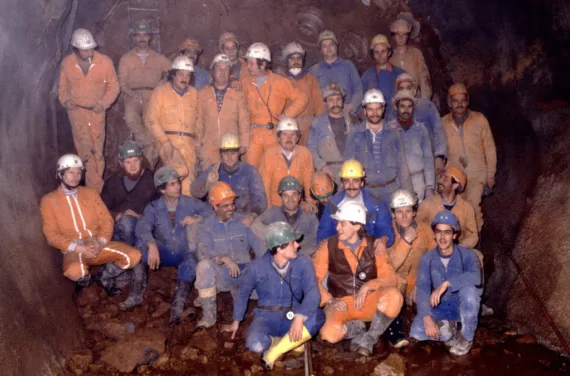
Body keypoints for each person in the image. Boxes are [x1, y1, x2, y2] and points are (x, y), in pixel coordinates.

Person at [222, 222, 325, 370]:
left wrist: (300, 316)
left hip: (293, 313)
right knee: (255, 345)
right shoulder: (256, 266)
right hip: (266, 315)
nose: (297, 245)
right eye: (292, 243)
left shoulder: (304, 262)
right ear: (279, 248)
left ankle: (273, 353)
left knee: (318, 316)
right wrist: (236, 322)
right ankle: (289, 343)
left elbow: (312, 292)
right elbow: (243, 293)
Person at [40, 154, 141, 296]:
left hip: (97, 243)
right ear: (60, 174)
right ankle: (85, 281)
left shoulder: (90, 194)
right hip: (74, 249)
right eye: (71, 172)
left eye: (78, 172)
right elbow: (51, 235)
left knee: (134, 256)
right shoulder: (49, 201)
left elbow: (106, 220)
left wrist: (100, 241)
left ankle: (104, 276)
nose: (75, 177)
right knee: (75, 271)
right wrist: (79, 248)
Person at [122, 166, 212, 323]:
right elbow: (142, 226)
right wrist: (152, 244)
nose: (178, 186)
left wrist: (198, 218)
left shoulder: (190, 203)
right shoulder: (154, 207)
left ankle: (178, 306)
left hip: (183, 252)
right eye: (172, 184)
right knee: (140, 250)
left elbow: (211, 211)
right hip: (163, 250)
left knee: (191, 262)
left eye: (177, 183)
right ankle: (136, 295)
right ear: (162, 190)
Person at [313, 201, 403, 356]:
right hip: (341, 303)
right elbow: (313, 280)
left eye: (342, 224)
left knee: (394, 296)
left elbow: (390, 278)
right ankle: (357, 328)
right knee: (329, 335)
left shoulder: (374, 245)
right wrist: (329, 300)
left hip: (367, 301)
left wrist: (368, 285)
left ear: (356, 226)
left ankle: (370, 337)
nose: (337, 228)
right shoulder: (327, 246)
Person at [410, 210, 482, 356]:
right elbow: (423, 289)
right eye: (439, 232)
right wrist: (427, 318)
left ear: (454, 235)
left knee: (470, 292)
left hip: (461, 306)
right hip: (441, 307)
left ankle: (467, 337)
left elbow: (476, 277)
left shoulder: (468, 255)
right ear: (434, 234)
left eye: (447, 232)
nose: (442, 237)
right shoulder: (427, 258)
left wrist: (447, 283)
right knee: (417, 332)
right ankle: (449, 329)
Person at [194, 182, 264, 328]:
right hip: (223, 275)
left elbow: (260, 250)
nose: (231, 208)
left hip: (245, 274)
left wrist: (258, 270)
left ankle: (243, 298)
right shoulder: (207, 226)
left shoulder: (244, 221)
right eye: (225, 206)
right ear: (214, 206)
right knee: (203, 267)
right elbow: (202, 252)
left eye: (232, 204)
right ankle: (209, 317)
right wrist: (223, 258)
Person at [58, 29, 119, 191]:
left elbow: (114, 87)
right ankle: (95, 191)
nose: (90, 52)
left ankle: (96, 189)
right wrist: (66, 100)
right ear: (75, 50)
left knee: (97, 151)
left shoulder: (105, 62)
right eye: (85, 50)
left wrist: (103, 103)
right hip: (77, 113)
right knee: (86, 152)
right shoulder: (67, 63)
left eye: (91, 48)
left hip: (97, 112)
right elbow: (62, 87)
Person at [241, 42, 308, 168]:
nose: (248, 67)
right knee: (251, 171)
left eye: (251, 63)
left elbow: (302, 98)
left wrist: (287, 115)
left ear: (263, 63)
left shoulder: (279, 82)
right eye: (248, 63)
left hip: (272, 133)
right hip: (252, 135)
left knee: (273, 170)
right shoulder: (245, 83)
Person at [384, 189, 436, 348]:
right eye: (399, 212)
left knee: (428, 300)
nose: (404, 216)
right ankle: (394, 333)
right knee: (392, 291)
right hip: (395, 281)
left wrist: (422, 282)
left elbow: (434, 259)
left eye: (408, 211)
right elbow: (387, 266)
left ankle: (426, 326)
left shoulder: (425, 230)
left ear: (414, 212)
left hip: (417, 279)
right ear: (393, 214)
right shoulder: (386, 233)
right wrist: (406, 241)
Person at [442, 84, 497, 230]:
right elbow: (438, 152)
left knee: (472, 208)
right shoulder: (442, 123)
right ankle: (459, 247)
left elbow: (490, 148)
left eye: (463, 100)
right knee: (456, 210)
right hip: (454, 175)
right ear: (449, 102)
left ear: (468, 101)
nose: (459, 104)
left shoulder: (479, 120)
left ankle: (475, 245)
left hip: (476, 173)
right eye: (455, 100)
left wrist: (490, 175)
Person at [118, 20, 170, 167]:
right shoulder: (126, 59)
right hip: (133, 95)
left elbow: (173, 72)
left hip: (153, 95)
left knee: (152, 122)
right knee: (130, 116)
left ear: (150, 37)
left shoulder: (159, 58)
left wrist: (162, 85)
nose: (141, 38)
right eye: (138, 35)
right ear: (134, 37)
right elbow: (122, 84)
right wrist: (131, 93)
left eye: (145, 35)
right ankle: (146, 142)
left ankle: (149, 163)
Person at [345, 89, 412, 202]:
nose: (374, 114)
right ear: (364, 111)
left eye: (378, 109)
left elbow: (402, 165)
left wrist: (408, 194)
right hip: (366, 193)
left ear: (383, 109)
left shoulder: (393, 133)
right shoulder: (355, 135)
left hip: (391, 191)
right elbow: (347, 168)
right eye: (370, 109)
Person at [146, 56, 199, 196]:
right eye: (181, 74)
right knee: (180, 172)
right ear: (173, 74)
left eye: (188, 75)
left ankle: (182, 214)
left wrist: (198, 143)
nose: (184, 78)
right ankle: (160, 189)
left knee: (188, 186)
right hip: (168, 142)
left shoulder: (194, 94)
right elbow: (151, 120)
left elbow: (199, 121)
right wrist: (165, 142)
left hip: (188, 145)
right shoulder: (160, 92)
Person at [317, 160, 394, 254]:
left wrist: (383, 240)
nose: (351, 186)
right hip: (339, 254)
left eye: (355, 181)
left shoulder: (376, 205)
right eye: (347, 181)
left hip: (368, 254)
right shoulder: (332, 204)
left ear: (362, 183)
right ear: (341, 183)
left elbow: (385, 228)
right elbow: (324, 232)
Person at [191, 132, 267, 217]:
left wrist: (253, 215)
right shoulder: (214, 170)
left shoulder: (250, 171)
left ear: (238, 153)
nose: (229, 157)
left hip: (242, 217)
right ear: (220, 154)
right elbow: (194, 192)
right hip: (217, 218)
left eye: (233, 153)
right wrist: (208, 184)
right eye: (225, 153)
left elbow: (259, 199)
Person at [196, 54, 250, 170]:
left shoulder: (237, 94)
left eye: (226, 69)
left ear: (230, 73)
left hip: (231, 147)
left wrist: (244, 143)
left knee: (230, 182)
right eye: (219, 69)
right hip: (209, 146)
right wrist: (197, 144)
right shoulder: (203, 93)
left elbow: (244, 119)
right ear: (213, 72)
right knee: (210, 181)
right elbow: (199, 121)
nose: (222, 72)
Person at [386, 73, 447, 175]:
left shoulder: (427, 106)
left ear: (414, 90)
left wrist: (439, 156)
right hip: (404, 161)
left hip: (429, 158)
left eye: (408, 87)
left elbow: (438, 131)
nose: (405, 91)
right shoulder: (392, 111)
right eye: (401, 88)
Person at [101, 141, 157, 245]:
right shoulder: (113, 182)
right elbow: (100, 209)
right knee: (125, 223)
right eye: (128, 162)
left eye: (135, 160)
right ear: (121, 163)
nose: (133, 166)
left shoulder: (152, 180)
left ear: (141, 160)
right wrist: (118, 215)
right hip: (118, 228)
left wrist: (140, 216)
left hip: (144, 229)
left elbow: (161, 208)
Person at [386, 89, 435, 201]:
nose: (406, 110)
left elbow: (428, 159)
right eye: (402, 106)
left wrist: (429, 187)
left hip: (417, 180)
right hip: (396, 182)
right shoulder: (388, 129)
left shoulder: (421, 129)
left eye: (409, 106)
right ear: (396, 107)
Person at [251, 176, 319, 257]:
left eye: (294, 195)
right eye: (286, 195)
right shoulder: (273, 213)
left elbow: (316, 243)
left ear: (299, 196)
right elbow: (255, 226)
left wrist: (295, 255)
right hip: (278, 261)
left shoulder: (309, 217)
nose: (290, 199)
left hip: (302, 261)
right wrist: (278, 236)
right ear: (281, 198)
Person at [258, 117, 315, 209]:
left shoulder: (305, 153)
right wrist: (268, 209)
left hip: (297, 205)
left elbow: (308, 181)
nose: (289, 138)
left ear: (297, 138)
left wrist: (311, 203)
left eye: (292, 134)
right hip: (276, 205)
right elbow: (265, 185)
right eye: (284, 134)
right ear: (278, 138)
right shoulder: (270, 154)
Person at [417, 165, 479, 248]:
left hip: (457, 248)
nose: (440, 181)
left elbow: (472, 235)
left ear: (455, 185)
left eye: (445, 178)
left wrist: (459, 248)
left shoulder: (466, 208)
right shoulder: (427, 204)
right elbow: (416, 227)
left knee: (477, 256)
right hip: (431, 249)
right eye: (441, 177)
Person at [309, 30, 363, 119]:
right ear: (320, 50)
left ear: (336, 46)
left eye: (331, 45)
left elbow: (358, 90)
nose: (328, 48)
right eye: (324, 46)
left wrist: (351, 107)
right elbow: (309, 96)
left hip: (347, 115)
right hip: (323, 117)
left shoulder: (348, 66)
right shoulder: (313, 71)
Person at [307, 83, 352, 188]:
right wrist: (322, 167)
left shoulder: (353, 121)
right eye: (331, 100)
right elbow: (311, 150)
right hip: (329, 174)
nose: (335, 103)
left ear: (343, 100)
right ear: (325, 103)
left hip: (351, 172)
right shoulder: (317, 124)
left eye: (338, 99)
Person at [281, 42, 325, 146]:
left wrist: (319, 124)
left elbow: (319, 106)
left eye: (299, 58)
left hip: (308, 126)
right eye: (292, 58)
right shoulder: (280, 80)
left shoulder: (311, 80)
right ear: (287, 60)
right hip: (288, 127)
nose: (296, 61)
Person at [389, 18, 432, 100]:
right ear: (394, 36)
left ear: (408, 35)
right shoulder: (390, 58)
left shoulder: (416, 54)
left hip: (416, 96)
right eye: (398, 34)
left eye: (404, 34)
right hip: (398, 99)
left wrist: (424, 102)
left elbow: (425, 79)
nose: (401, 37)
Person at [361, 34, 407, 105]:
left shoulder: (401, 74)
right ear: (373, 55)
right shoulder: (367, 76)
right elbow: (360, 100)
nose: (380, 55)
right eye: (376, 52)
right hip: (375, 115)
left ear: (389, 52)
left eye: (383, 51)